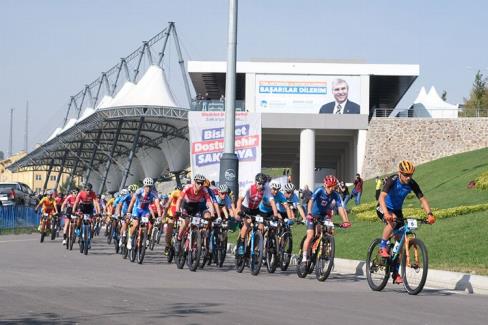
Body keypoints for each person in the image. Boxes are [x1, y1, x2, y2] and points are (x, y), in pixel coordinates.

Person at [376, 160, 436, 284]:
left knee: (400, 241)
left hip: (397, 211)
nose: (408, 178)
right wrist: (386, 213)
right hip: (383, 207)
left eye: (410, 175)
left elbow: (422, 199)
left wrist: (429, 214)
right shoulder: (392, 180)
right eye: (406, 175)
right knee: (391, 223)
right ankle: (382, 246)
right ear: (400, 173)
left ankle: (395, 273)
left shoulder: (412, 183)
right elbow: (381, 197)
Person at [303, 176, 351, 262]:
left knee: (329, 229)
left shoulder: (335, 195)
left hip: (324, 215)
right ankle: (304, 258)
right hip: (313, 214)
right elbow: (311, 201)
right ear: (325, 185)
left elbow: (340, 208)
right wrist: (309, 213)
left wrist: (345, 221)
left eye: (333, 187)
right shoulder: (319, 190)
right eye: (329, 187)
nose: (331, 189)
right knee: (310, 235)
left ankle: (323, 251)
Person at [127, 178, 161, 249]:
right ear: (144, 186)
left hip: (145, 210)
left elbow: (158, 205)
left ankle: (144, 238)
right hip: (137, 209)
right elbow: (132, 202)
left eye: (150, 186)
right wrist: (128, 212)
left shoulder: (154, 193)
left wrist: (160, 216)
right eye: (147, 186)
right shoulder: (139, 191)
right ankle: (130, 239)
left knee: (147, 224)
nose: (148, 188)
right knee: (136, 224)